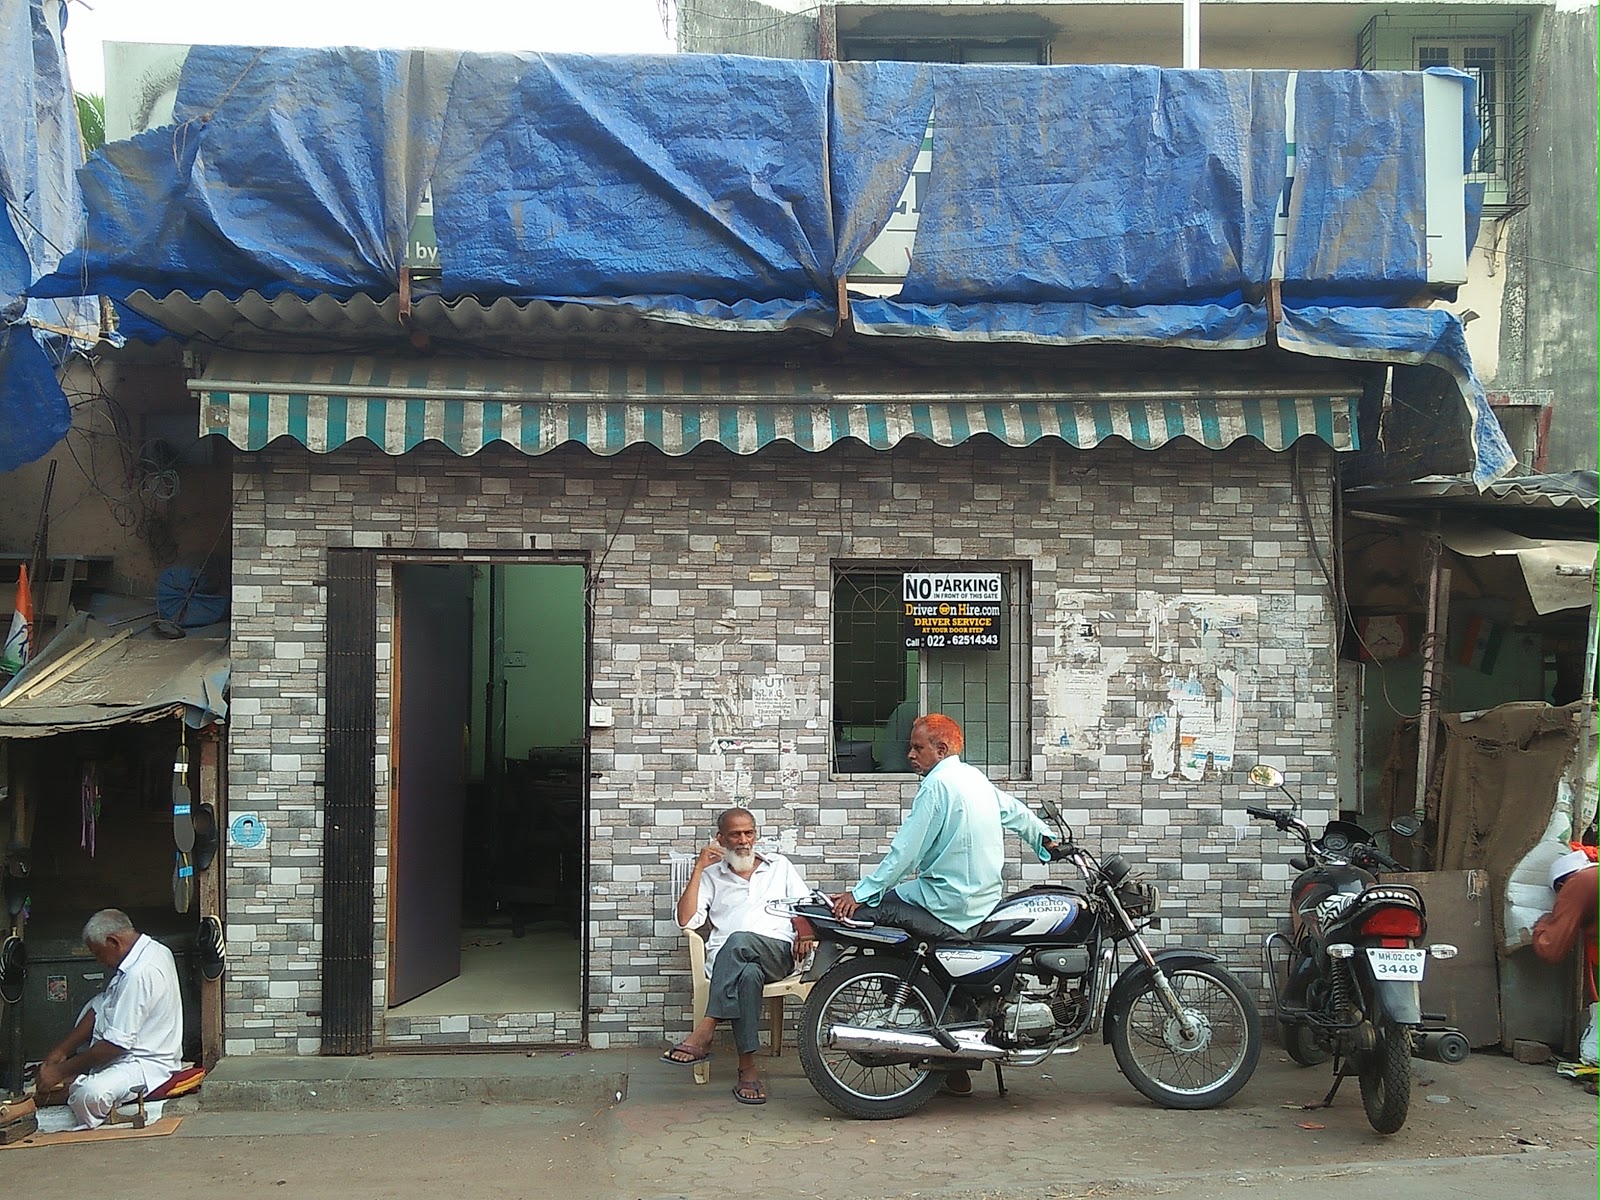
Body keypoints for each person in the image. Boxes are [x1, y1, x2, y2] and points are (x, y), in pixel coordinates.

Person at [832, 713, 1057, 1095]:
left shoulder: (936, 786)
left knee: (882, 910)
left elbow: (905, 852)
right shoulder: (974, 778)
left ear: (941, 748)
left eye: (917, 747)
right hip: (980, 902)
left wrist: (862, 893)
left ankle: (919, 1029)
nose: (910, 755)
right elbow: (1016, 813)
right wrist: (1046, 840)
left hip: (946, 902)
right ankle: (952, 1063)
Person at [663, 807, 815, 1105]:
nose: (744, 840)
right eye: (735, 834)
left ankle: (706, 1028)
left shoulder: (779, 866)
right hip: (731, 964)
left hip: (776, 954)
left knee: (739, 940)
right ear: (720, 839)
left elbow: (807, 905)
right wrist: (698, 869)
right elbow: (686, 920)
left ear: (755, 835)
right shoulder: (711, 875)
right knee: (747, 975)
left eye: (749, 833)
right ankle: (748, 1071)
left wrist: (806, 932)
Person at [34, 909, 184, 1130]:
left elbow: (115, 1046)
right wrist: (62, 1051)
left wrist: (60, 1071)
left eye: (98, 953)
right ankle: (72, 1083)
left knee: (90, 1095)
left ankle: (64, 1092)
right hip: (123, 1052)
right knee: (94, 1003)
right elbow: (101, 1005)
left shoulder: (139, 974)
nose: (99, 961)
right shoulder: (153, 950)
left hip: (145, 1064)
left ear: (114, 942)